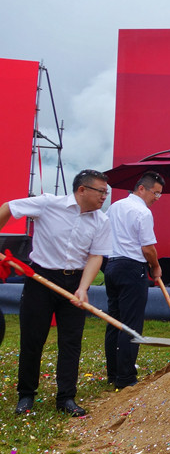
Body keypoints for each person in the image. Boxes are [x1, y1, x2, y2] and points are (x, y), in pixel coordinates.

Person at [0, 169, 112, 416]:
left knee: (71, 342)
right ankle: (26, 395)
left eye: (107, 192)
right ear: (82, 190)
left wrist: (83, 288)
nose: (104, 196)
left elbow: (96, 256)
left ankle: (66, 398)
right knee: (32, 338)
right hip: (41, 280)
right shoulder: (48, 203)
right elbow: (9, 207)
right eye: (101, 191)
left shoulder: (101, 221)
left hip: (74, 283)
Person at [104, 171, 165, 389]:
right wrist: (156, 267)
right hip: (131, 268)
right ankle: (126, 378)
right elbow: (148, 248)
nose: (156, 198)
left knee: (115, 321)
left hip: (112, 266)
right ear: (141, 188)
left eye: (159, 194)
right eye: (155, 193)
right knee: (130, 325)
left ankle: (113, 373)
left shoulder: (115, 207)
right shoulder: (143, 212)